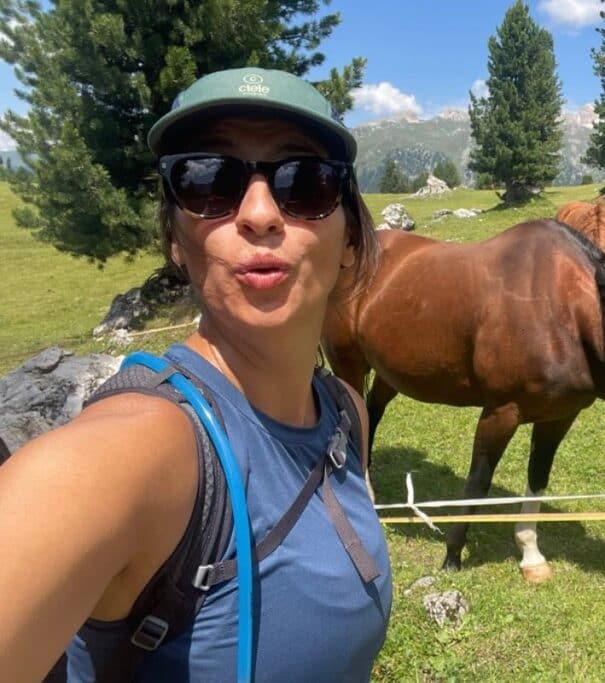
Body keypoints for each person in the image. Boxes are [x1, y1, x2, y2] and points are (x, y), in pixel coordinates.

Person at [0, 67, 392, 681]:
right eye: (208, 181)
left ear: (348, 238)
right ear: (175, 239)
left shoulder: (346, 412)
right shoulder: (129, 455)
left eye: (307, 183)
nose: (260, 214)